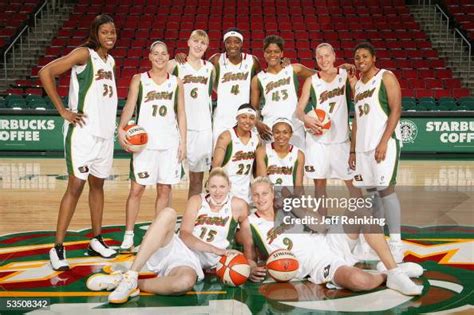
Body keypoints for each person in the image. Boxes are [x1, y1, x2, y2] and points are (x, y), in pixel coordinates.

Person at [86, 168, 253, 304]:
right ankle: (131, 275)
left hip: (191, 262)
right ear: (207, 186)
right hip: (179, 247)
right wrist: (216, 250)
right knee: (168, 213)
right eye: (213, 186)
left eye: (222, 187)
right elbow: (185, 235)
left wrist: (250, 260)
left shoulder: (239, 205)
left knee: (184, 283)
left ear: (229, 186)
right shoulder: (197, 200)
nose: (217, 191)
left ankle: (129, 283)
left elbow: (247, 236)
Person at [247, 177, 423, 296]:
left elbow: (321, 226)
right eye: (256, 194)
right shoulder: (250, 222)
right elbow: (250, 257)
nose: (260, 198)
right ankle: (386, 276)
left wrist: (293, 205)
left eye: (264, 193)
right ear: (252, 197)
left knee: (360, 209)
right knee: (357, 280)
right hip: (316, 263)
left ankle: (394, 270)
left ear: (272, 194)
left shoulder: (288, 208)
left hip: (329, 240)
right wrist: (252, 268)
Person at [39, 14, 118, 271]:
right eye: (105, 32)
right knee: (75, 187)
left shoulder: (111, 61)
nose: (110, 36)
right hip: (83, 133)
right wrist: (63, 110)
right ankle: (58, 247)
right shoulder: (84, 54)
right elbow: (46, 72)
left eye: (113, 32)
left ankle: (96, 239)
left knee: (98, 187)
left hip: (104, 136)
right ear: (96, 33)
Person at [117, 41, 186, 251]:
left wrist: (183, 142)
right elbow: (129, 106)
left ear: (168, 57)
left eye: (163, 54)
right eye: (156, 53)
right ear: (149, 56)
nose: (160, 57)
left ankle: (157, 235)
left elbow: (181, 113)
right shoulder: (139, 80)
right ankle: (128, 235)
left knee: (164, 190)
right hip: (144, 144)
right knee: (137, 189)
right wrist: (121, 129)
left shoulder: (176, 82)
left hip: (169, 143)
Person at [349, 42, 404, 262]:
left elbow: (396, 110)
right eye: (356, 57)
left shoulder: (386, 76)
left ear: (373, 58)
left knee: (386, 191)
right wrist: (353, 151)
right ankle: (375, 242)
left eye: (364, 56)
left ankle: (397, 243)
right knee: (372, 195)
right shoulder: (358, 86)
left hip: (383, 143)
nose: (360, 60)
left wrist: (383, 141)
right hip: (363, 148)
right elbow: (358, 121)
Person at [295, 43, 360, 217]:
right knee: (319, 184)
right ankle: (322, 221)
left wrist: (353, 79)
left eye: (327, 56)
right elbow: (299, 110)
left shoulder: (346, 75)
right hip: (318, 141)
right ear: (316, 59)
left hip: (341, 140)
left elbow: (359, 95)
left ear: (334, 56)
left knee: (352, 183)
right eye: (319, 57)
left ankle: (361, 220)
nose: (324, 60)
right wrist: (306, 118)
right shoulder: (312, 80)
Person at [176, 28, 261, 145]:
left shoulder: (252, 61)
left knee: (243, 155)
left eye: (236, 41)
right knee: (218, 154)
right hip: (222, 116)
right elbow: (199, 69)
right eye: (228, 42)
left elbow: (260, 84)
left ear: (241, 43)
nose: (232, 45)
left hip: (244, 116)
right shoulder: (216, 60)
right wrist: (182, 56)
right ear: (224, 44)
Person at [167, 30, 215, 198]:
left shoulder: (210, 68)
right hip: (178, 129)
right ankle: (166, 218)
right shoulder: (174, 65)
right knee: (167, 181)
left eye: (203, 43)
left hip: (202, 130)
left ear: (207, 47)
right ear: (188, 42)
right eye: (195, 41)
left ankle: (192, 218)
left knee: (196, 181)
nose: (198, 45)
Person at [251, 35, 315, 149]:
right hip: (269, 128)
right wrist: (257, 123)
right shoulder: (257, 79)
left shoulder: (294, 69)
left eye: (276, 51)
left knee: (298, 164)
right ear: (264, 54)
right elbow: (254, 108)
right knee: (272, 166)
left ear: (282, 53)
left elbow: (320, 76)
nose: (272, 55)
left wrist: (339, 69)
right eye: (268, 51)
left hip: (294, 125)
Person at [212, 104, 259, 203]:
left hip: (246, 193)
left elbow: (256, 170)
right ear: (237, 118)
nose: (247, 121)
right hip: (227, 192)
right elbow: (216, 166)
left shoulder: (256, 139)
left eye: (251, 118)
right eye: (243, 117)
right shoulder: (226, 137)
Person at [255, 118, 305, 187]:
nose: (281, 136)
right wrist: (280, 191)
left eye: (285, 132)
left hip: (290, 196)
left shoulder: (299, 154)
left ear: (291, 134)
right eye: (277, 132)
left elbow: (298, 185)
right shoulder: (262, 151)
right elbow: (262, 183)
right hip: (268, 195)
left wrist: (294, 197)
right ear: (272, 133)